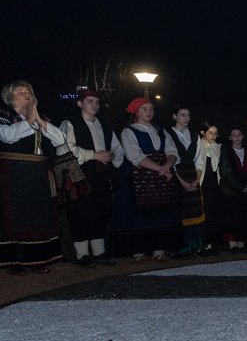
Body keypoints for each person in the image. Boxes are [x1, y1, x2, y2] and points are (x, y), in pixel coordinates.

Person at [0, 80, 66, 273]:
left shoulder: (41, 118)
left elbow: (60, 139)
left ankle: (37, 259)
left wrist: (38, 119)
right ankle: (16, 261)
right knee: (16, 215)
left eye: (28, 91)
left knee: (38, 215)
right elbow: (7, 136)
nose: (26, 94)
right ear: (11, 97)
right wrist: (29, 120)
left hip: (37, 173)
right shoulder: (5, 116)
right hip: (14, 172)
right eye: (20, 92)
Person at [108, 98, 182, 261]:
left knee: (161, 212)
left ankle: (159, 249)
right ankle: (138, 251)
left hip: (160, 176)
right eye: (144, 109)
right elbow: (135, 155)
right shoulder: (129, 131)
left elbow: (172, 151)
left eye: (151, 109)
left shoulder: (161, 131)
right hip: (137, 177)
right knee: (137, 214)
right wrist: (160, 168)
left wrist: (168, 165)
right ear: (136, 111)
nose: (149, 112)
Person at [57, 88, 124, 267]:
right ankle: (82, 255)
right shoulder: (70, 123)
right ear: (80, 103)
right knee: (80, 213)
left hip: (101, 175)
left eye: (97, 102)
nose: (94, 105)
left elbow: (118, 149)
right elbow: (65, 149)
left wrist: (111, 156)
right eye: (89, 101)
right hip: (80, 176)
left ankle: (99, 252)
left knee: (101, 211)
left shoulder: (105, 125)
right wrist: (93, 155)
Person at [166, 105, 212, 257]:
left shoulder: (194, 135)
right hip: (176, 175)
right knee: (180, 211)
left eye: (188, 115)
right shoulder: (168, 134)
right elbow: (168, 160)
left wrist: (197, 179)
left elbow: (199, 159)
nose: (186, 118)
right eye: (182, 115)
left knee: (195, 210)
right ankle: (181, 248)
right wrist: (181, 182)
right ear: (175, 116)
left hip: (192, 174)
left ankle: (197, 246)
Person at [218, 127, 247, 253]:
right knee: (232, 217)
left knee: (243, 216)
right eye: (234, 135)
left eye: (239, 134)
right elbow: (224, 171)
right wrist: (239, 186)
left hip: (246, 187)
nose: (237, 137)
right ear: (230, 138)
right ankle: (233, 244)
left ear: (243, 136)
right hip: (231, 189)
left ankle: (242, 243)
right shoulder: (226, 151)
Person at [195, 122, 225, 251]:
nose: (213, 136)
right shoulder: (198, 145)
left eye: (215, 134)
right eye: (210, 133)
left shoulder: (218, 147)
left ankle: (212, 243)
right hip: (203, 182)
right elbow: (197, 163)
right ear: (203, 133)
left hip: (214, 183)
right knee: (203, 211)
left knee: (214, 213)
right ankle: (203, 244)